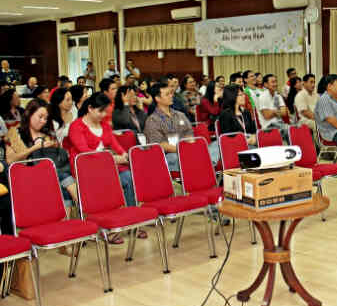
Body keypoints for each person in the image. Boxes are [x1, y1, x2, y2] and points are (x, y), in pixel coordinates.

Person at [68, 93, 140, 243]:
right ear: (90, 108)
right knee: (107, 182)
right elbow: (85, 152)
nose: (103, 115)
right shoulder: (76, 126)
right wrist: (112, 159)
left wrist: (124, 155)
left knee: (128, 177)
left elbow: (115, 145)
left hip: (105, 167)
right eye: (100, 111)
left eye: (105, 111)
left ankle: (133, 220)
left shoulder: (105, 126)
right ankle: (105, 227)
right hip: (85, 169)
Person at [6, 99, 78, 206]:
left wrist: (55, 147)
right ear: (29, 114)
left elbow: (56, 159)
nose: (43, 121)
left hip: (50, 174)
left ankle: (73, 211)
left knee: (61, 182)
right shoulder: (15, 133)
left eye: (45, 118)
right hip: (27, 175)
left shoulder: (47, 134)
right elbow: (10, 160)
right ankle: (83, 205)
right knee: (63, 177)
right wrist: (35, 147)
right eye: (40, 117)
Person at [144, 82, 220, 172]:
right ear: (157, 98)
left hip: (186, 151)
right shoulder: (152, 120)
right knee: (176, 157)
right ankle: (206, 163)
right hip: (168, 155)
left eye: (171, 93)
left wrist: (191, 147)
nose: (171, 96)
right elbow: (160, 145)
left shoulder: (180, 115)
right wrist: (183, 149)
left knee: (217, 144)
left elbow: (189, 135)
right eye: (167, 94)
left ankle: (204, 162)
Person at [256, 74, 288, 139]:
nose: (275, 84)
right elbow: (267, 116)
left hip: (280, 123)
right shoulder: (262, 97)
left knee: (294, 129)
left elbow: (284, 113)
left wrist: (273, 112)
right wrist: (277, 111)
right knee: (288, 131)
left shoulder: (278, 96)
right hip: (268, 126)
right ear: (265, 84)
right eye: (273, 82)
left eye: (276, 81)